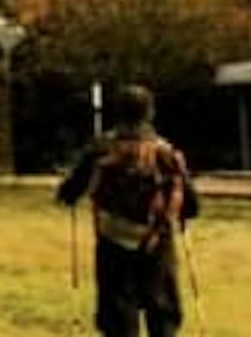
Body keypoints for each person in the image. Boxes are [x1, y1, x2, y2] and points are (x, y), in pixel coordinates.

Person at [56, 84, 201, 337]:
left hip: (112, 239)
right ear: (150, 112)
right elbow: (191, 203)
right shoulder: (164, 151)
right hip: (157, 239)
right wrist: (182, 212)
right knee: (162, 308)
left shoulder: (101, 148)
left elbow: (70, 190)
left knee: (117, 310)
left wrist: (69, 196)